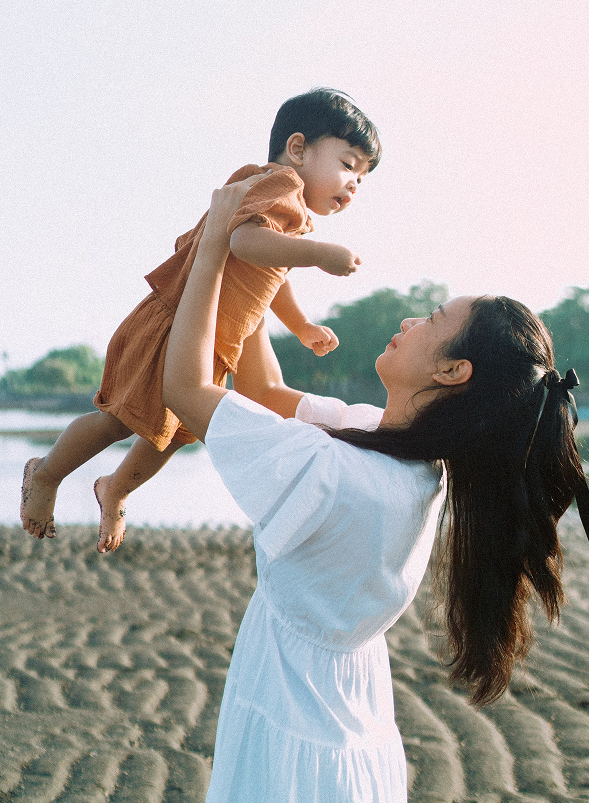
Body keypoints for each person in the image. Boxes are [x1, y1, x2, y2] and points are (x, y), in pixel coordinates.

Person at [161, 178, 588, 803]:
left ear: (450, 371)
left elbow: (186, 390)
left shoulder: (346, 474)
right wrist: (259, 260)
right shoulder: (408, 458)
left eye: (433, 321)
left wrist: (212, 249)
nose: (410, 320)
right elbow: (263, 392)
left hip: (293, 721)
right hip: (345, 716)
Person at [20, 88, 381, 552]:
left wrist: (301, 325)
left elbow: (272, 275)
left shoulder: (293, 217)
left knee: (171, 436)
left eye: (363, 178)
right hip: (174, 328)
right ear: (297, 149)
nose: (354, 184)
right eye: (349, 164)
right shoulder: (277, 184)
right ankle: (46, 473)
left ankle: (116, 488)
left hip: (210, 343)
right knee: (119, 421)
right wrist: (319, 254)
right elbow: (245, 243)